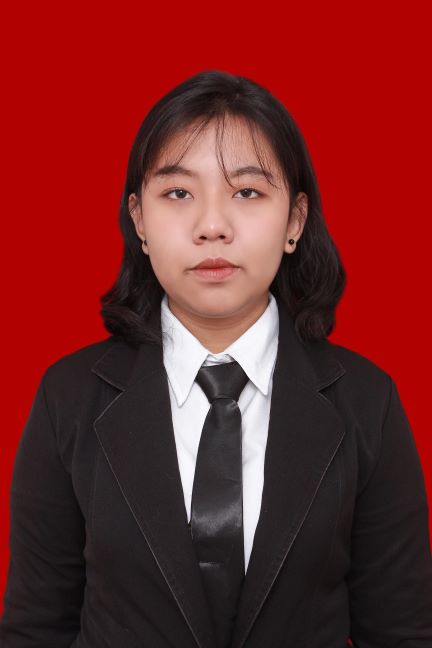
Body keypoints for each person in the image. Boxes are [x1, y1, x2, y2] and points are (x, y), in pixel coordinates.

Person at [1, 69, 431, 648]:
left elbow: (402, 632)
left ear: (295, 220)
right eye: (178, 193)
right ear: (139, 220)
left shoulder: (367, 402)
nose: (211, 226)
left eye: (247, 192)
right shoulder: (69, 397)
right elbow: (35, 629)